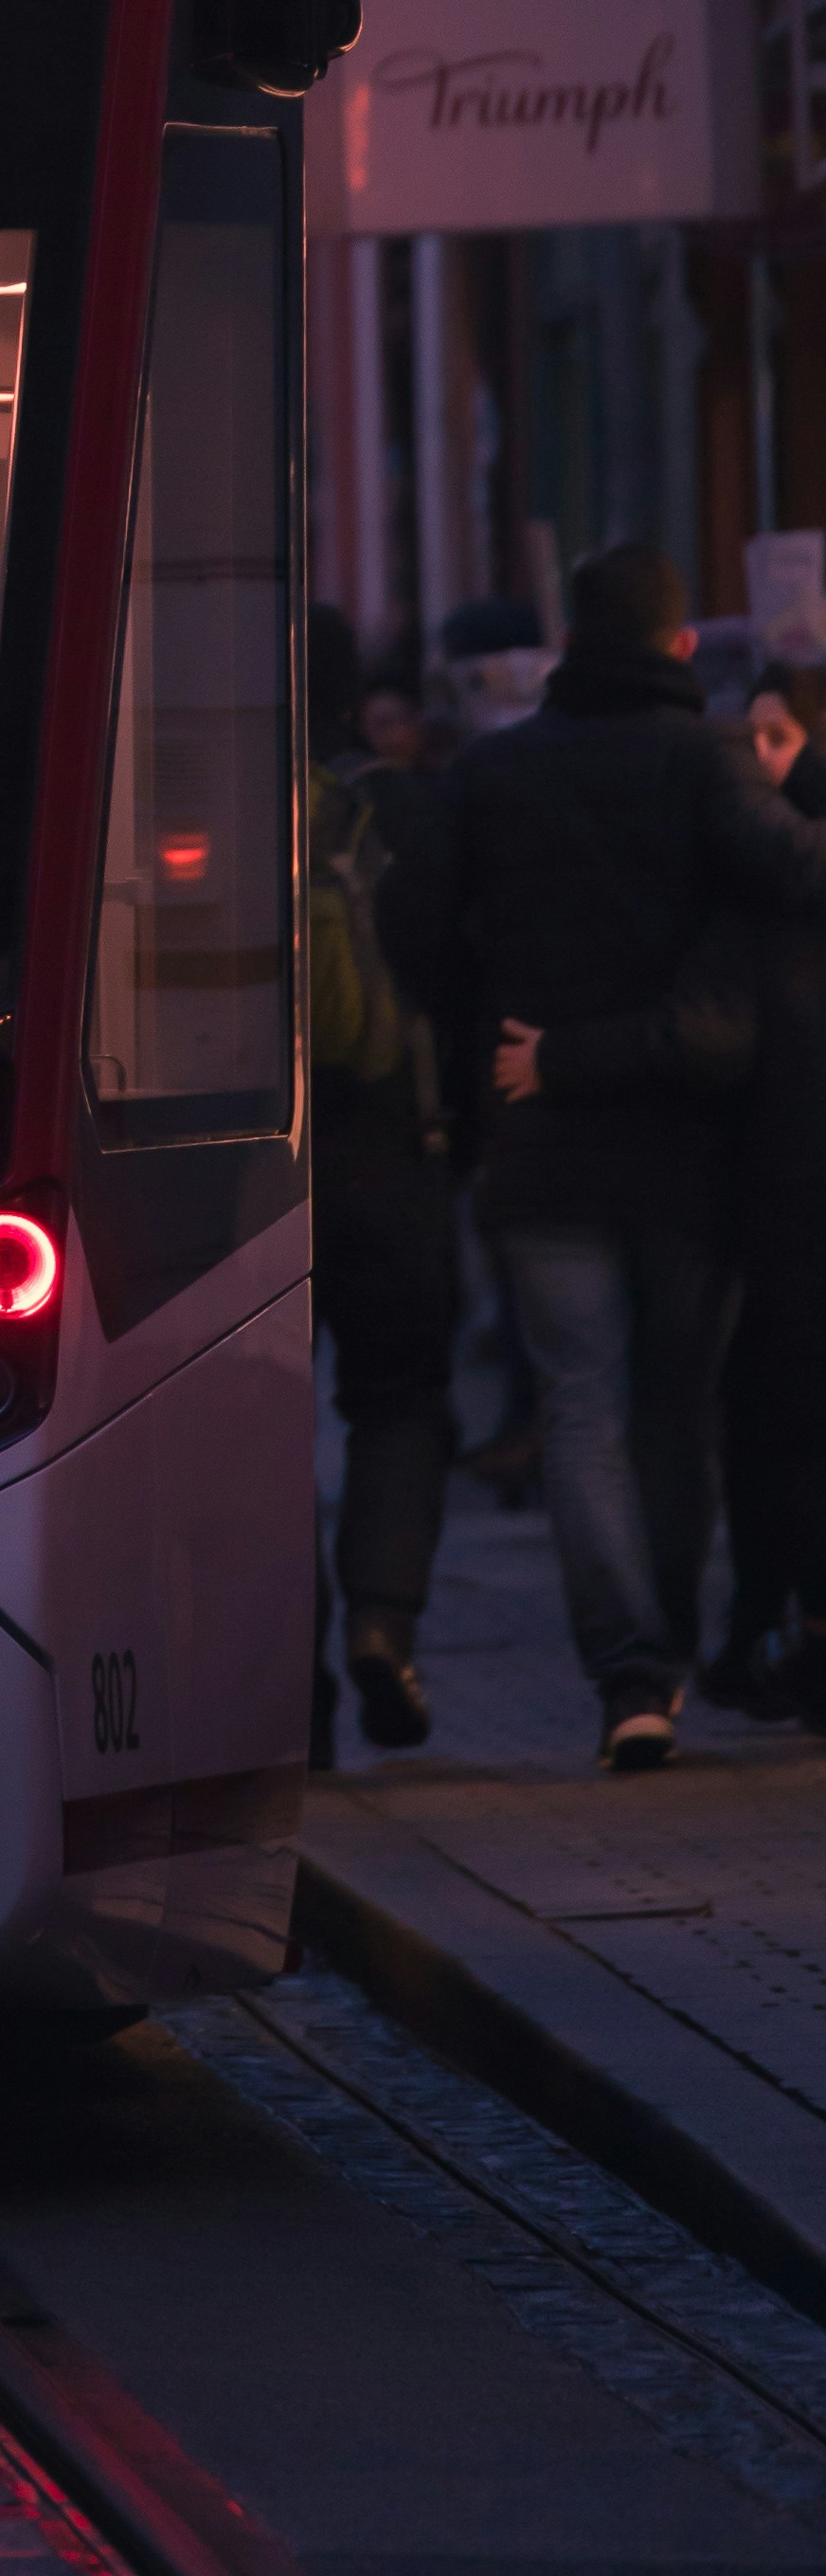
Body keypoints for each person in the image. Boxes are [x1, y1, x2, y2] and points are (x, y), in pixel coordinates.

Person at [383, 544, 826, 1769]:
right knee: (675, 1414)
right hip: (691, 1152)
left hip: (542, 1140)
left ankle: (626, 1673)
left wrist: (484, 1031)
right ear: (683, 648)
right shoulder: (705, 762)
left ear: (572, 640)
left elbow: (414, 920)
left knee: (579, 1405)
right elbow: (793, 870)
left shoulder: (494, 772)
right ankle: (664, 1666)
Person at [304, 605, 458, 1756]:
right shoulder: (399, 811)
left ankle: (285, 1678)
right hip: (393, 1159)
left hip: (252, 1174)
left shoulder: (198, 810)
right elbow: (459, 974)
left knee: (255, 1428)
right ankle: (383, 1628)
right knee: (400, 1401)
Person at [714, 650, 826, 1717]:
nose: (759, 761)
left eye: (778, 738)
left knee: (780, 1418)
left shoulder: (776, 870)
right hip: (785, 1185)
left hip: (793, 1185)